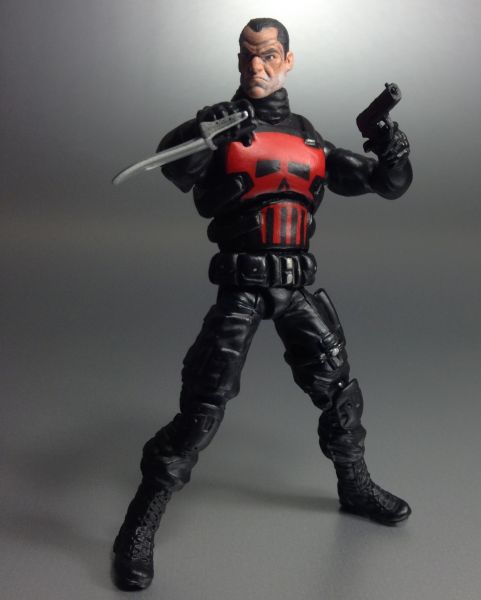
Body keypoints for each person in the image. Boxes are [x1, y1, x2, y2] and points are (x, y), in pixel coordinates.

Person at [112, 17, 414, 591]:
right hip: (242, 287)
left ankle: (354, 487)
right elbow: (174, 165)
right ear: (238, 60)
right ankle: (139, 523)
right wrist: (207, 129)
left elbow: (386, 183)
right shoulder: (221, 127)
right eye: (248, 55)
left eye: (270, 54)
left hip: (295, 286)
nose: (258, 66)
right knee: (202, 407)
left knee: (339, 392)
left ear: (288, 61)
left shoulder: (309, 140)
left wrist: (391, 148)